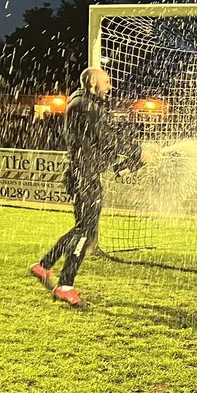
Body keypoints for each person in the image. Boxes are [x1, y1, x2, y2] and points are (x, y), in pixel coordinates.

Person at [30, 67, 144, 308]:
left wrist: (134, 156)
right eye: (106, 82)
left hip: (82, 174)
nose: (110, 87)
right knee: (86, 232)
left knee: (83, 229)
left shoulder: (82, 103)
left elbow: (103, 141)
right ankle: (65, 286)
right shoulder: (86, 106)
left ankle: (45, 265)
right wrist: (139, 151)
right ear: (93, 83)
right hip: (85, 177)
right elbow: (109, 139)